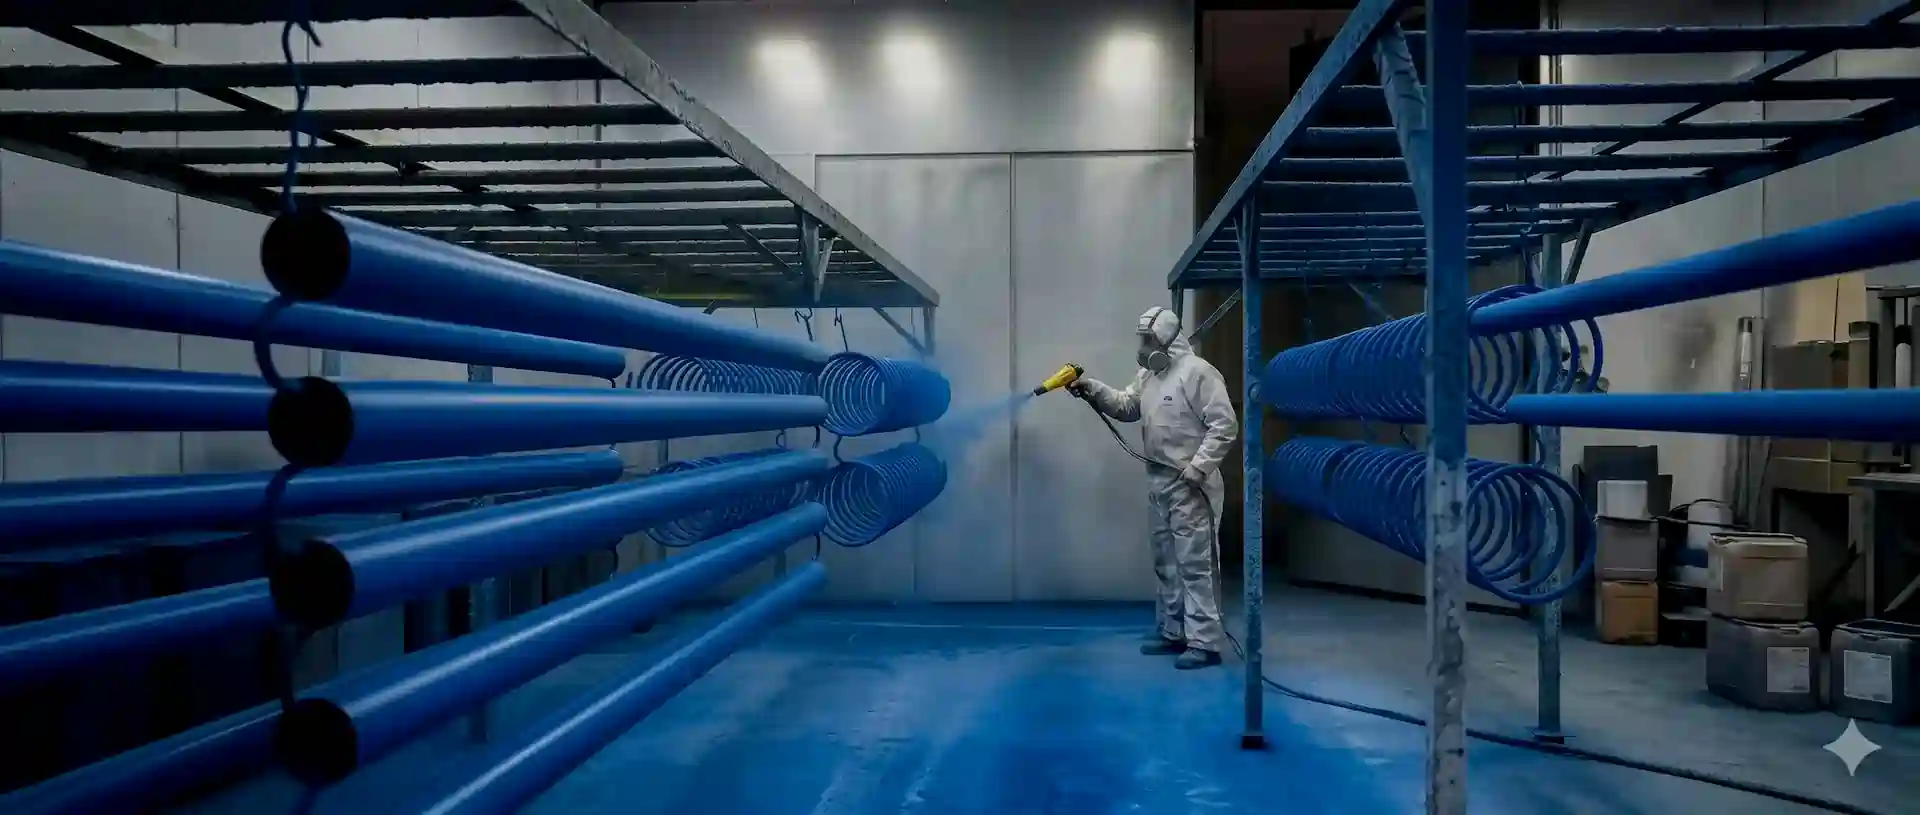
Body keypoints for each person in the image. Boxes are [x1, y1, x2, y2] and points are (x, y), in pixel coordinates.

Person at [1069, 305, 1239, 669]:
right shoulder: (1149, 376)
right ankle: (1174, 632)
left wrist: (1199, 467)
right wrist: (1093, 389)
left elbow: (1224, 426)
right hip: (1159, 481)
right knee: (1167, 563)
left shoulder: (1198, 374)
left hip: (1191, 484)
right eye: (1141, 340)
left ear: (1167, 340)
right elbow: (1129, 406)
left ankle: (1205, 643)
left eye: (1148, 340)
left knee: (1195, 564)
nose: (1143, 348)